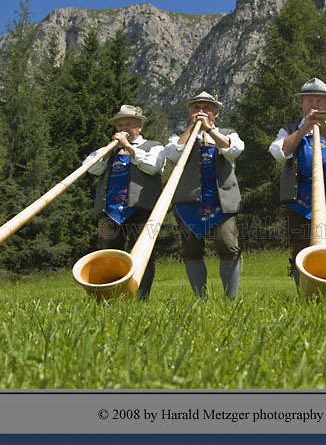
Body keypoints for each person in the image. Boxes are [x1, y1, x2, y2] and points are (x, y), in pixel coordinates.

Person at [269, 78, 326, 289]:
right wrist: (304, 130)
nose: (315, 105)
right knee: (301, 250)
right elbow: (280, 152)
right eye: (310, 100)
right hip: (299, 200)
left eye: (320, 100)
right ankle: (306, 295)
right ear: (301, 103)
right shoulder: (289, 129)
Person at [165, 91, 245, 299]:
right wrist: (192, 129)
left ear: (216, 113)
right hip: (187, 203)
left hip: (222, 202)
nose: (201, 112)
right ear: (189, 112)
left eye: (206, 108)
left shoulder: (228, 133)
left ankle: (231, 299)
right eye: (196, 108)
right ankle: (200, 298)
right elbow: (173, 154)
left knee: (228, 246)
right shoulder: (178, 136)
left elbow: (233, 150)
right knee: (191, 251)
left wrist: (209, 129)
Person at [84, 105, 166, 300]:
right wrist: (106, 152)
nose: (124, 128)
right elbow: (90, 168)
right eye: (120, 125)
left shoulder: (154, 147)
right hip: (110, 210)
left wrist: (129, 149)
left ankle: (140, 297)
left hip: (142, 209)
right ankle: (111, 297)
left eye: (129, 124)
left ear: (140, 126)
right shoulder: (107, 150)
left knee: (144, 254)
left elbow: (153, 167)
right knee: (109, 256)